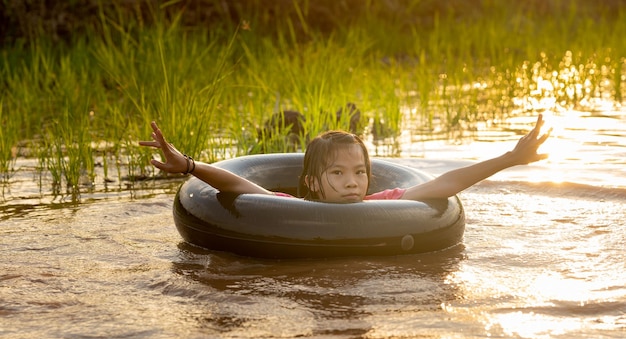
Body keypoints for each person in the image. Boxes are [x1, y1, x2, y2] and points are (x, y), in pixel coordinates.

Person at [139, 114, 551, 204]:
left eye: (359, 172)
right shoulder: (292, 207)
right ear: (314, 182)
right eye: (337, 172)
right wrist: (189, 166)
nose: (353, 181)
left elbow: (444, 184)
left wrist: (508, 158)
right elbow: (239, 185)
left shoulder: (383, 204)